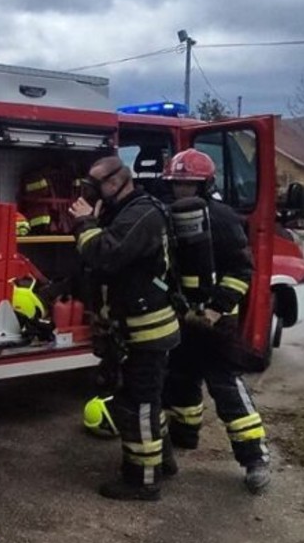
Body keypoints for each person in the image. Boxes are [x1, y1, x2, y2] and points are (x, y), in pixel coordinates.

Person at [160, 149, 271, 493]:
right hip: (182, 318)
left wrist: (215, 309)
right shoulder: (167, 216)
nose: (181, 192)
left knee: (226, 388)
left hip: (215, 322)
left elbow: (241, 271)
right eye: (176, 185)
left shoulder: (222, 219)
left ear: (205, 184)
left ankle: (254, 459)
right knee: (180, 380)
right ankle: (185, 435)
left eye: (188, 185)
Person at [70, 156, 180, 501]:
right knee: (144, 400)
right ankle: (163, 460)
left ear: (119, 180)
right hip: (131, 328)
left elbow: (105, 254)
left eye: (97, 183)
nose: (91, 190)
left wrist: (85, 224)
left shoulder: (142, 214)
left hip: (146, 329)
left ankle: (142, 479)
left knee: (139, 405)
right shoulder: (122, 212)